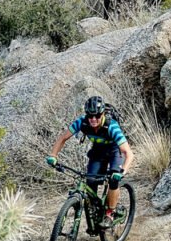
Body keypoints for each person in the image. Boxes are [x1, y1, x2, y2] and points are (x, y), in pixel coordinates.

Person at [46, 96, 133, 228]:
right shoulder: (82, 122)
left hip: (115, 150)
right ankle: (95, 210)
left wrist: (122, 171)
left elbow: (128, 153)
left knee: (113, 179)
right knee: (90, 180)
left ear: (102, 114)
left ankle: (110, 213)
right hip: (98, 150)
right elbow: (63, 138)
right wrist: (53, 155)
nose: (93, 119)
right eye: (90, 116)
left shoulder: (112, 127)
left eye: (97, 116)